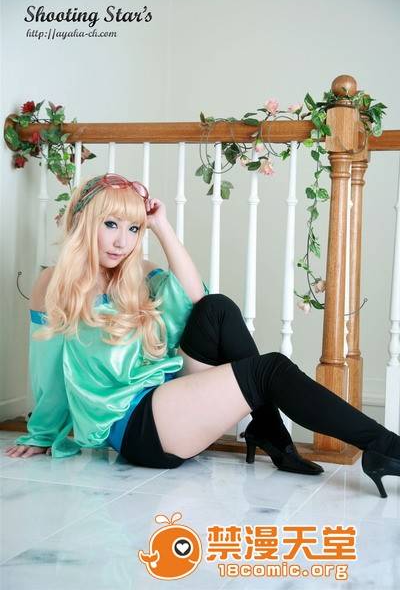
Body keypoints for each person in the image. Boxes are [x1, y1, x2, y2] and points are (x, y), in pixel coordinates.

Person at [5, 173, 400, 499]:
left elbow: (195, 299)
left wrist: (162, 227)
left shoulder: (136, 274)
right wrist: (42, 434)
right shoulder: (55, 283)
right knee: (269, 370)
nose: (122, 241)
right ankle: (381, 446)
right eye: (110, 225)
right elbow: (49, 370)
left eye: (133, 228)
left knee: (216, 307)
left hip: (167, 398)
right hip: (137, 427)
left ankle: (269, 430)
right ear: (84, 221)